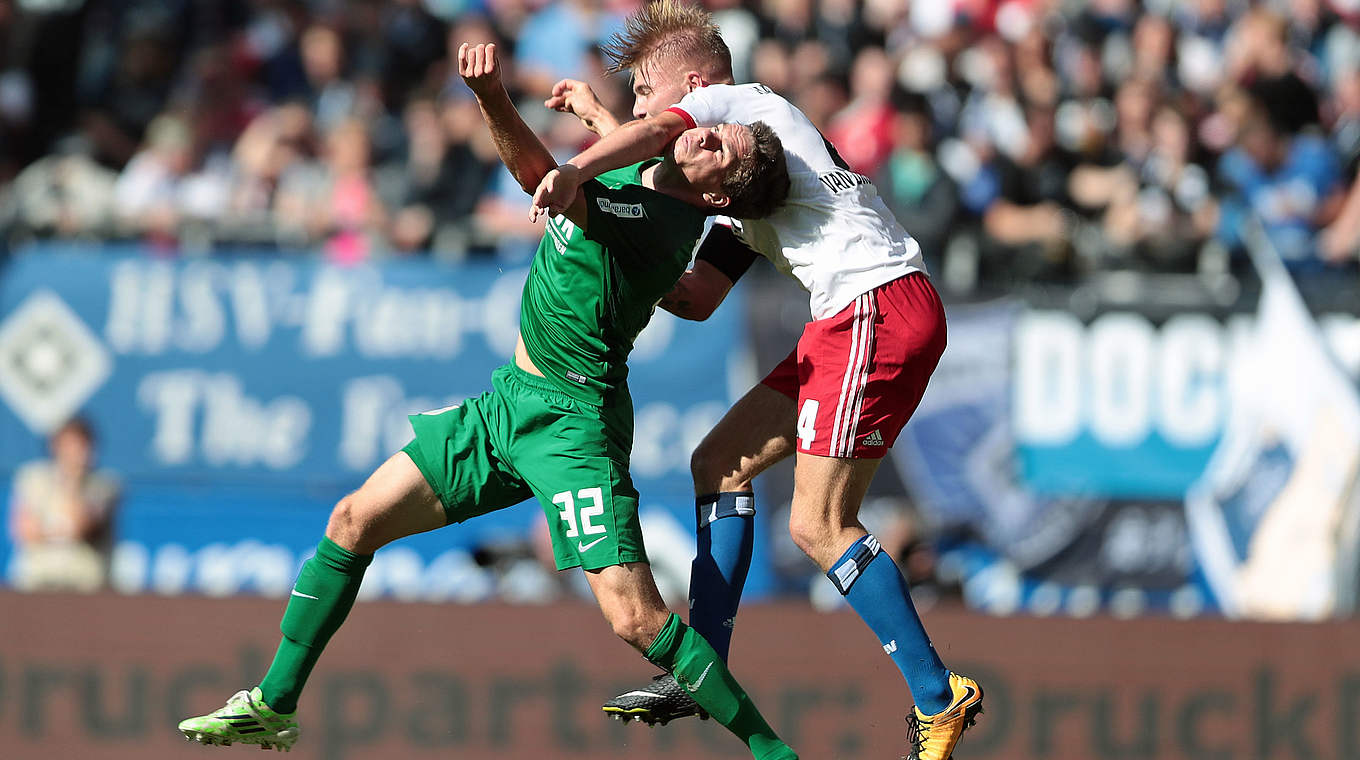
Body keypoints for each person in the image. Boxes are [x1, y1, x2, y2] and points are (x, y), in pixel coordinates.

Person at [177, 42, 798, 760]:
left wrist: (492, 97)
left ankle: (771, 752)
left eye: (718, 142)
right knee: (352, 519)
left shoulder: (660, 219)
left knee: (636, 619)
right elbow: (633, 159)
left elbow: (546, 181)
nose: (687, 125)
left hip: (573, 424)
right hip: (507, 405)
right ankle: (275, 704)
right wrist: (598, 113)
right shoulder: (649, 168)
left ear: (718, 197)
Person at [533, 3, 982, 758]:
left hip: (873, 303)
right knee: (719, 463)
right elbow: (698, 298)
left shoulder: (744, 105)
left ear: (695, 83)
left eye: (647, 89)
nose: (646, 106)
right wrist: (630, 258)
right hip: (850, 318)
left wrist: (579, 159)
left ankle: (939, 696)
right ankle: (703, 669)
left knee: (816, 525)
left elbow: (654, 146)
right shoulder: (747, 182)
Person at [8, 417, 119, 592]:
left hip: (85, 585)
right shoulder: (32, 479)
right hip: (36, 582)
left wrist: (73, 482)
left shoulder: (105, 485)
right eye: (69, 446)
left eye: (81, 446)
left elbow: (79, 527)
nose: (75, 453)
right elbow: (25, 531)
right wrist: (57, 531)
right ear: (55, 447)